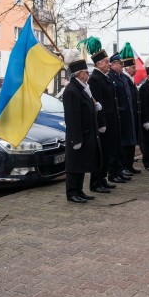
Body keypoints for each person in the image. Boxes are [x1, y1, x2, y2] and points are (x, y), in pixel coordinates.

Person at [81, 36, 124, 189]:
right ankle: (96, 182)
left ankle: (103, 179)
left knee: (108, 152)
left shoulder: (105, 78)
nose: (108, 64)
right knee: (101, 153)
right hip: (103, 123)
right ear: (98, 63)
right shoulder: (96, 79)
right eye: (106, 61)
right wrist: (101, 123)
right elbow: (97, 104)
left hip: (111, 120)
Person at [61, 49, 99, 203]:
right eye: (85, 72)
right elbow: (72, 117)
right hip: (77, 135)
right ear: (78, 74)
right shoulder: (71, 90)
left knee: (82, 164)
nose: (88, 75)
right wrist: (76, 139)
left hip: (86, 134)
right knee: (74, 165)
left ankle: (80, 190)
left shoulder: (82, 88)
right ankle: (72, 193)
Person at [108, 54, 136, 178]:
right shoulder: (110, 77)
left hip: (127, 114)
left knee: (130, 142)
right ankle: (121, 168)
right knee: (122, 144)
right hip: (120, 115)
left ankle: (127, 166)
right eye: (120, 64)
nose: (122, 66)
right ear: (112, 64)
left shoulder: (123, 77)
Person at [117, 43, 142, 174]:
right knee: (126, 143)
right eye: (133, 67)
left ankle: (129, 164)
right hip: (125, 116)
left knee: (132, 142)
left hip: (132, 115)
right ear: (126, 68)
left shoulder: (130, 80)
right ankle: (124, 166)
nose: (135, 69)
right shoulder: (123, 80)